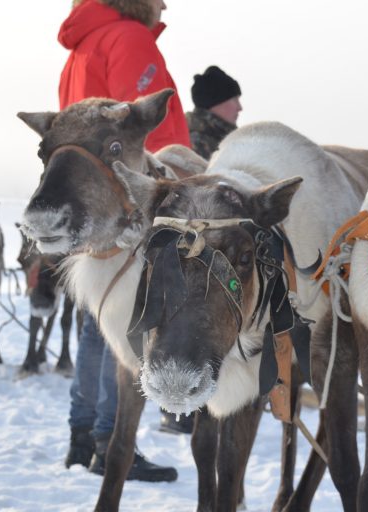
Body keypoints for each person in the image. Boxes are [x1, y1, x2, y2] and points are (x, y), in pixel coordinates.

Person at [59, 0, 189, 482]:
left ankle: (84, 435)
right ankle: (113, 441)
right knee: (128, 317)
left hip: (91, 197)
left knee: (98, 318)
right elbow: (150, 124)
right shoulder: (129, 39)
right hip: (131, 196)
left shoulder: (81, 48)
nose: (166, 3)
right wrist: (177, 181)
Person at [158, 65, 242, 435]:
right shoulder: (210, 150)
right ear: (217, 104)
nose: (239, 107)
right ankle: (184, 410)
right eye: (233, 100)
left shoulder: (201, 136)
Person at [186, 65, 242, 160]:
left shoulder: (225, 141)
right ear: (216, 102)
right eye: (235, 99)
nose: (240, 108)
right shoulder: (195, 145)